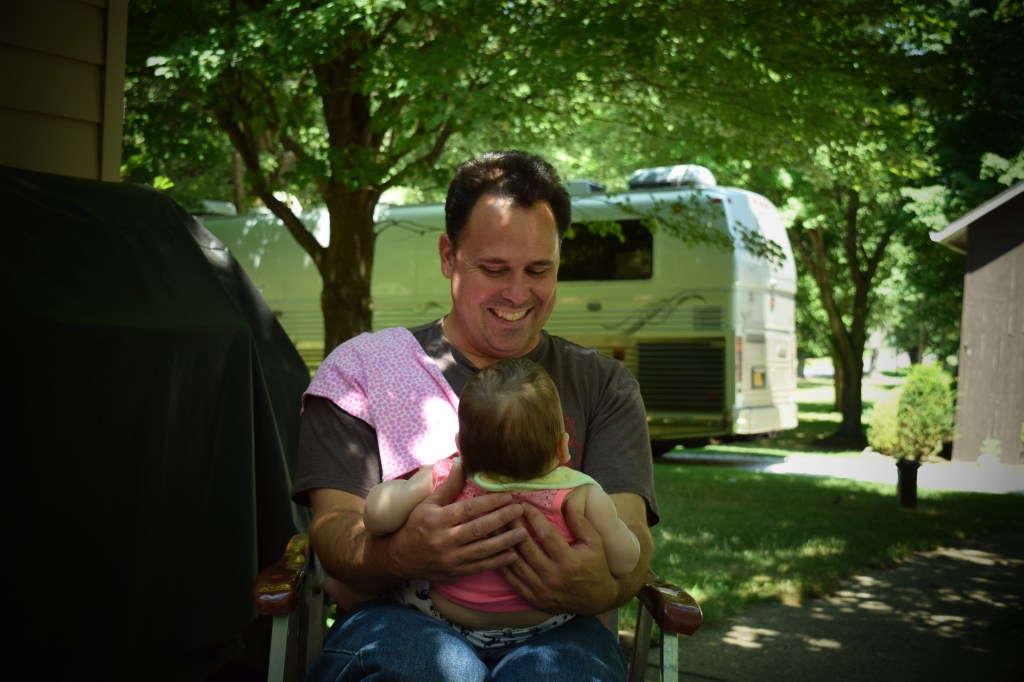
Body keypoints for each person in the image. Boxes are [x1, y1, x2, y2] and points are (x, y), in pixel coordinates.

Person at [292, 149, 658, 680]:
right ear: (449, 256)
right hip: (397, 621)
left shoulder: (604, 385)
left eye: (539, 270)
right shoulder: (361, 371)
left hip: (561, 629)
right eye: (493, 269)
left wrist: (601, 588)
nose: (518, 293)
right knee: (438, 672)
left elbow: (632, 541)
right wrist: (401, 555)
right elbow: (335, 533)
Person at [361, 357, 641, 653]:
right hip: (547, 625)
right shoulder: (580, 494)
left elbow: (377, 517)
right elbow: (625, 562)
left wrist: (397, 488)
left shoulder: (444, 477)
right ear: (562, 447)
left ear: (460, 445)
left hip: (447, 619)